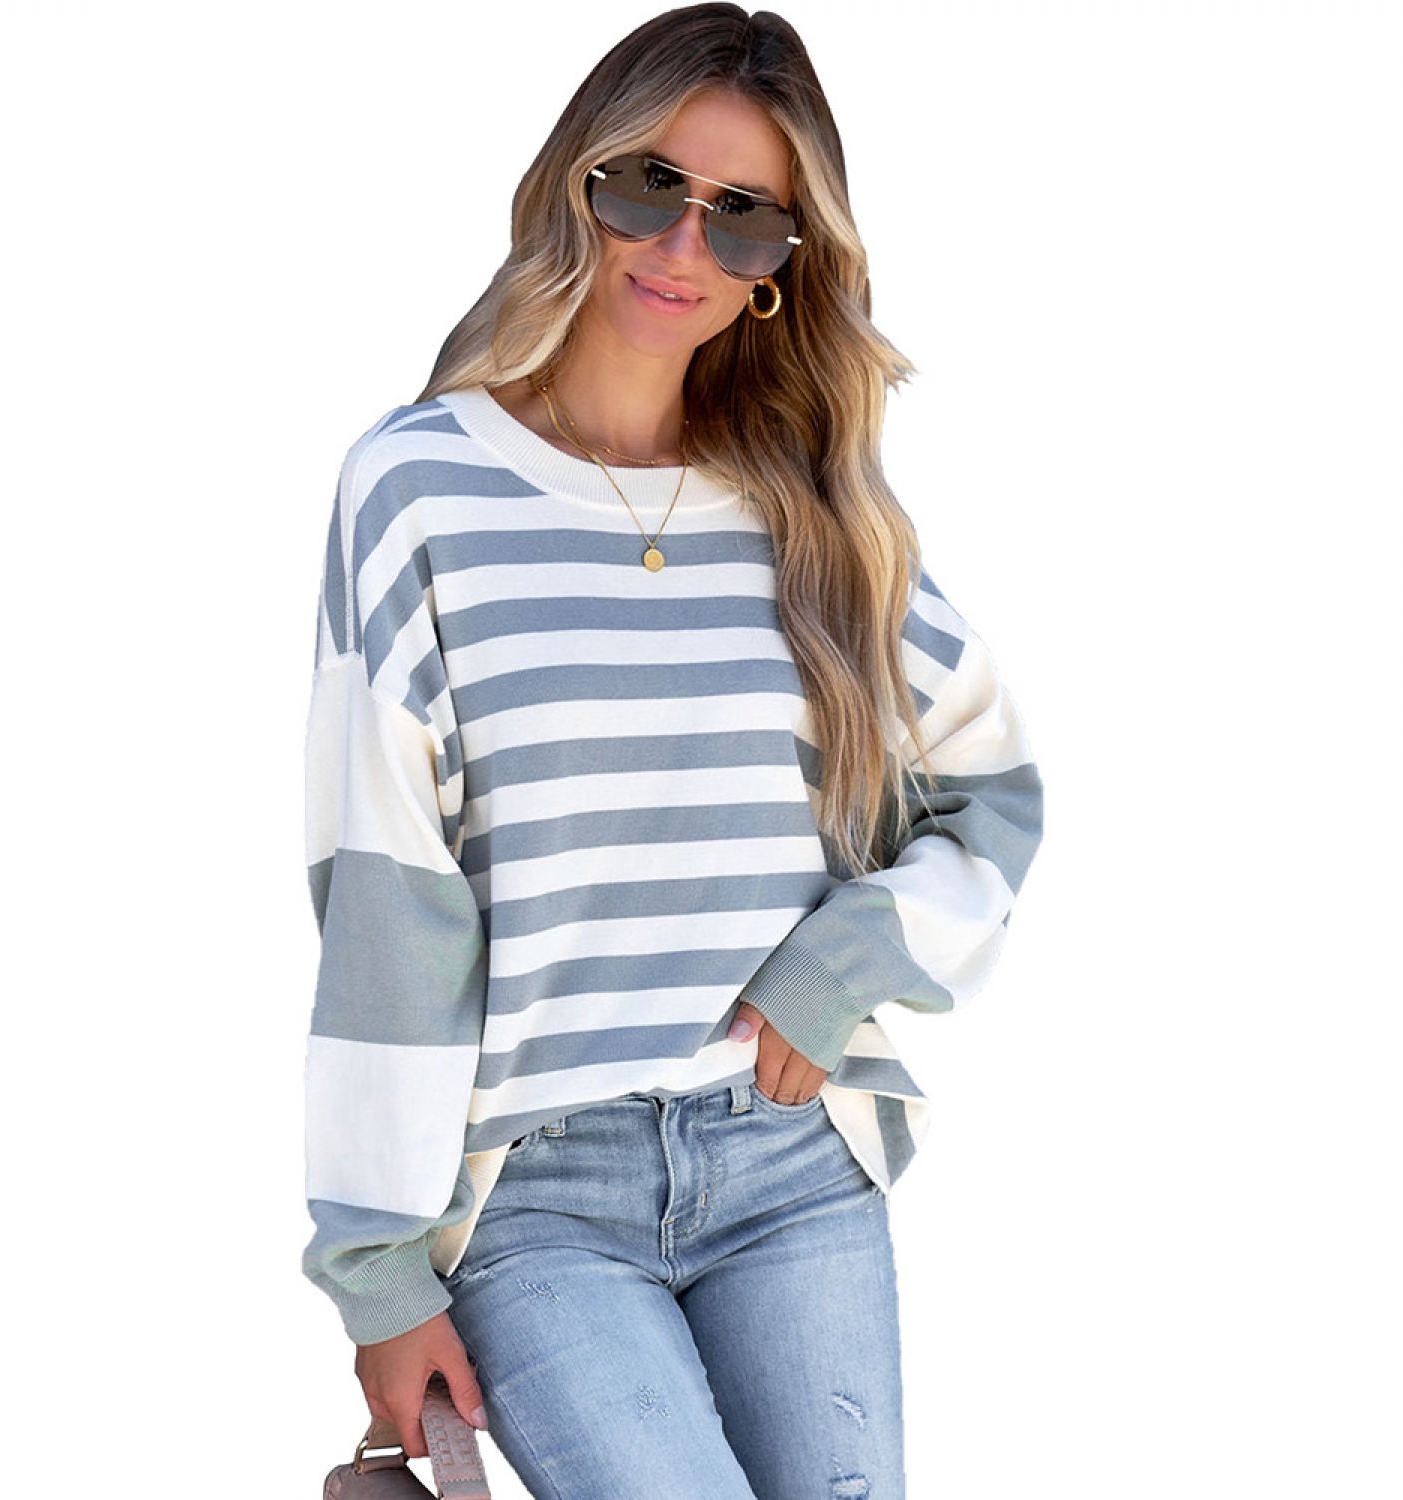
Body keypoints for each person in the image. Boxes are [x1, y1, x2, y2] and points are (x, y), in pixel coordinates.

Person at [299, 6, 1044, 1496]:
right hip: (536, 1194)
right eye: (650, 184)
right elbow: (388, 891)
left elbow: (992, 793)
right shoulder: (420, 488)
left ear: (781, 266)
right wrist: (378, 1270)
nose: (684, 243)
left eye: (743, 214)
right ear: (576, 182)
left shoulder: (813, 511)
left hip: (791, 1165)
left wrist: (845, 965)